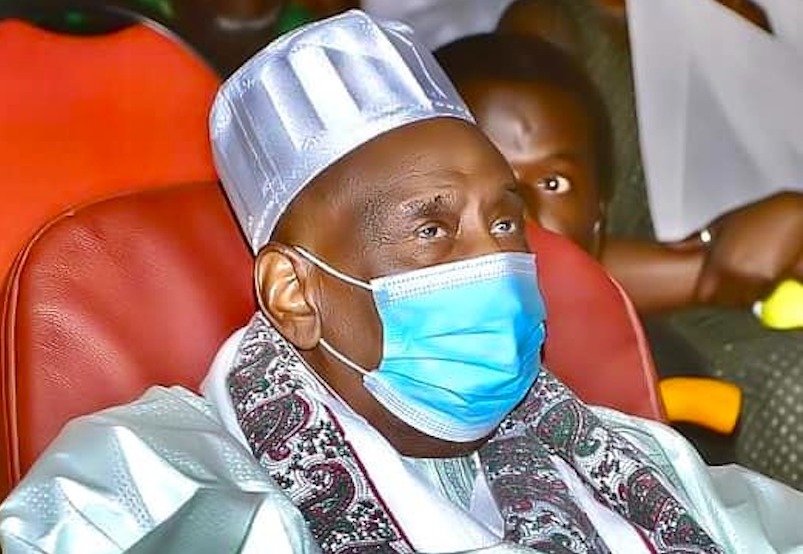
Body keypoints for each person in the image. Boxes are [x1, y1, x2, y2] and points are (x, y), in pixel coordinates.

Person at [2, 10, 803, 554]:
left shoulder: (630, 461)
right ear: (293, 292)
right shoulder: (158, 485)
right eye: (430, 230)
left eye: (504, 224)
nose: (494, 265)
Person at [492, 0, 803, 488]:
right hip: (649, 314)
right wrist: (716, 265)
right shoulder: (560, 26)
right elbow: (532, 246)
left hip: (769, 286)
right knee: (791, 383)